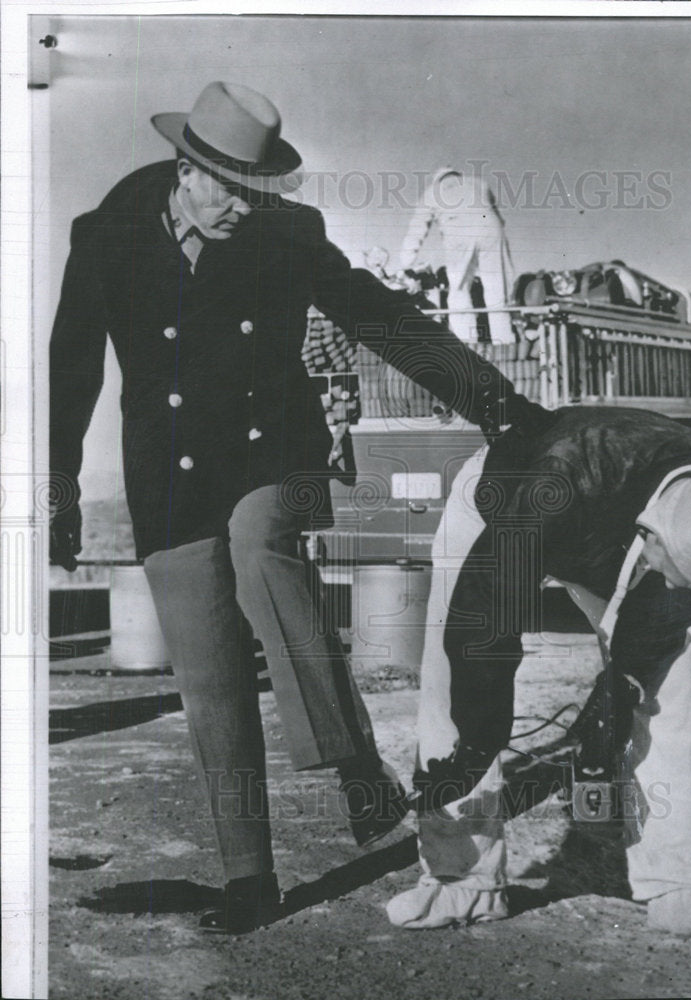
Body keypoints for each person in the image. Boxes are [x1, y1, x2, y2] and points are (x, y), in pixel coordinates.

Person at [49, 81, 519, 935]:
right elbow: (71, 369)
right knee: (209, 679)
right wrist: (59, 491)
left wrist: (489, 395)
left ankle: (353, 764)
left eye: (254, 188)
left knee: (259, 542)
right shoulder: (107, 239)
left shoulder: (288, 235)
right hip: (168, 477)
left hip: (279, 459)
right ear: (185, 171)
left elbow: (376, 315)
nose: (241, 206)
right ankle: (249, 877)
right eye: (227, 186)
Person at [386, 404, 691, 938]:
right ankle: (463, 877)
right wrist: (475, 748)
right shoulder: (555, 490)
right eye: (668, 571)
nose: (671, 587)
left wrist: (617, 693)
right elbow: (482, 632)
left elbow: (654, 630)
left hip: (611, 514)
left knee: (668, 681)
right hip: (508, 502)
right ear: (651, 534)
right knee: (451, 675)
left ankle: (683, 880)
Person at [398, 166, 515, 345]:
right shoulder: (478, 183)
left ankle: (466, 344)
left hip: (458, 231)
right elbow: (499, 216)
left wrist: (405, 263)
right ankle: (505, 342)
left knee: (459, 289)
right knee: (496, 288)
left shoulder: (432, 192)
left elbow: (417, 228)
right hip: (491, 227)